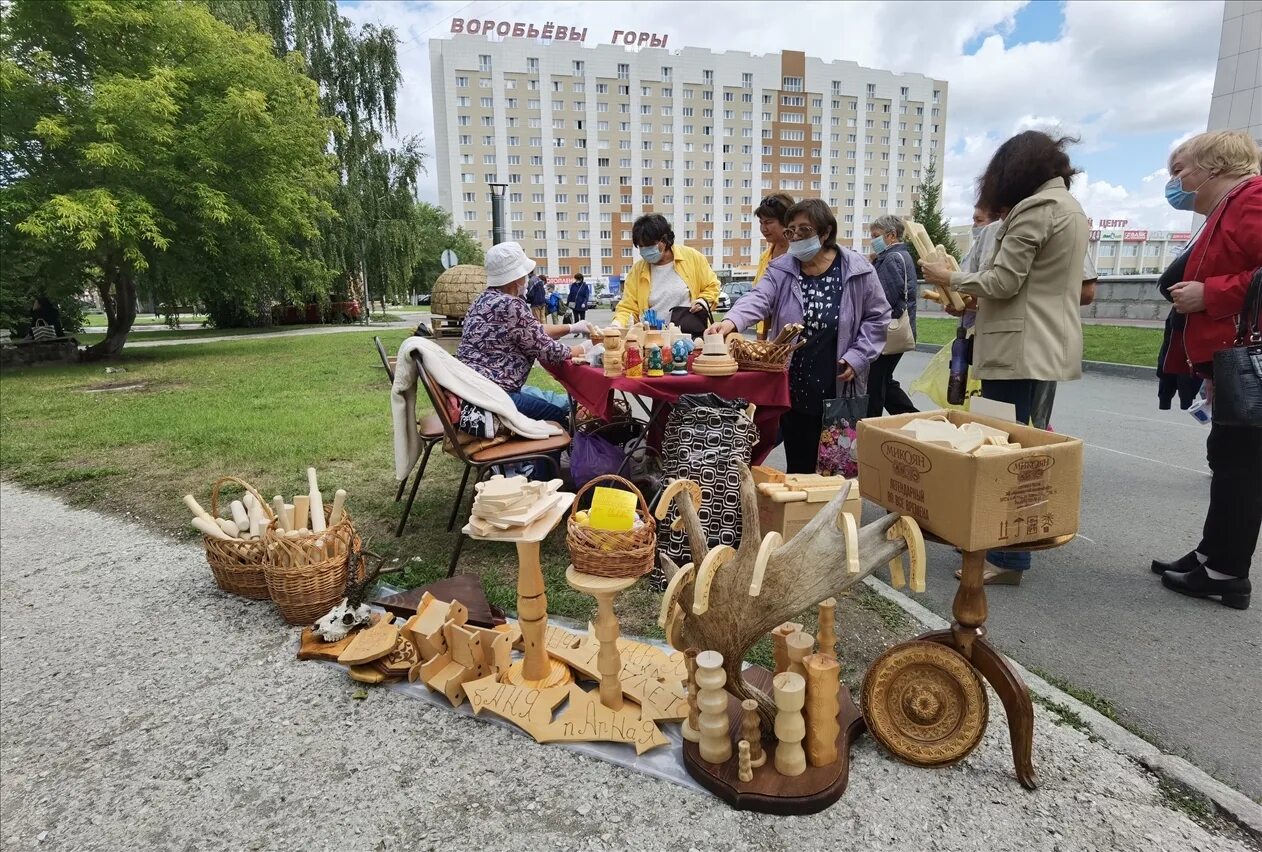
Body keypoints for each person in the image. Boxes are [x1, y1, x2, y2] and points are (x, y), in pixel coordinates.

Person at [921, 130, 1089, 586]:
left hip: (1019, 347)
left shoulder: (1036, 209)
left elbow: (1002, 282)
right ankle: (1005, 542)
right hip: (1043, 343)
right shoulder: (1070, 209)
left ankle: (1007, 554)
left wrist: (949, 276)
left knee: (1003, 452)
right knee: (1023, 446)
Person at [1150, 130, 1261, 610]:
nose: (1177, 181)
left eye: (1182, 170)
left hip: (1245, 358)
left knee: (1241, 466)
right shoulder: (1232, 205)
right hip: (1227, 358)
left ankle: (1226, 573)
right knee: (1228, 458)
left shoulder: (1252, 199)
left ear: (1214, 167)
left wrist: (1210, 294)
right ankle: (1212, 554)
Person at [708, 199, 891, 473]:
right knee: (799, 466)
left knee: (836, 469)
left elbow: (877, 317)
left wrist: (858, 356)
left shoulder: (857, 269)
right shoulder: (782, 268)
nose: (795, 237)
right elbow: (759, 297)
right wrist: (732, 321)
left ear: (825, 232)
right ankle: (799, 516)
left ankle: (835, 515)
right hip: (794, 384)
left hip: (837, 384)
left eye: (804, 230)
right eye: (791, 231)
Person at [456, 242, 590, 425]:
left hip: (474, 389)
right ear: (516, 278)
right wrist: (586, 347)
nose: (527, 279)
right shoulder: (512, 305)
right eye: (525, 274)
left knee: (550, 397)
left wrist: (572, 327)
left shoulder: (482, 300)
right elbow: (550, 352)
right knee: (561, 414)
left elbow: (532, 330)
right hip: (496, 397)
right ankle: (558, 450)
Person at [614, 213, 720, 333]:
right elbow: (628, 307)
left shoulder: (692, 258)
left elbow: (712, 286)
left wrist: (702, 302)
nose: (645, 251)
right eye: (641, 246)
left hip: (689, 335)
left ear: (664, 240)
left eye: (649, 245)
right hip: (652, 339)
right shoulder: (637, 270)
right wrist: (617, 324)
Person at [866, 215, 920, 418]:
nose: (873, 241)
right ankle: (911, 418)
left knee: (876, 382)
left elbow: (883, 299)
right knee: (884, 380)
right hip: (900, 328)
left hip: (887, 331)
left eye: (876, 236)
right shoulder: (901, 256)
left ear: (891, 235)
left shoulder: (891, 259)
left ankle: (872, 425)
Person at [752, 194, 794, 340]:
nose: (763, 228)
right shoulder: (765, 257)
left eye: (769, 222)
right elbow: (758, 298)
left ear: (786, 222)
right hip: (771, 338)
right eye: (761, 222)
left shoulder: (800, 256)